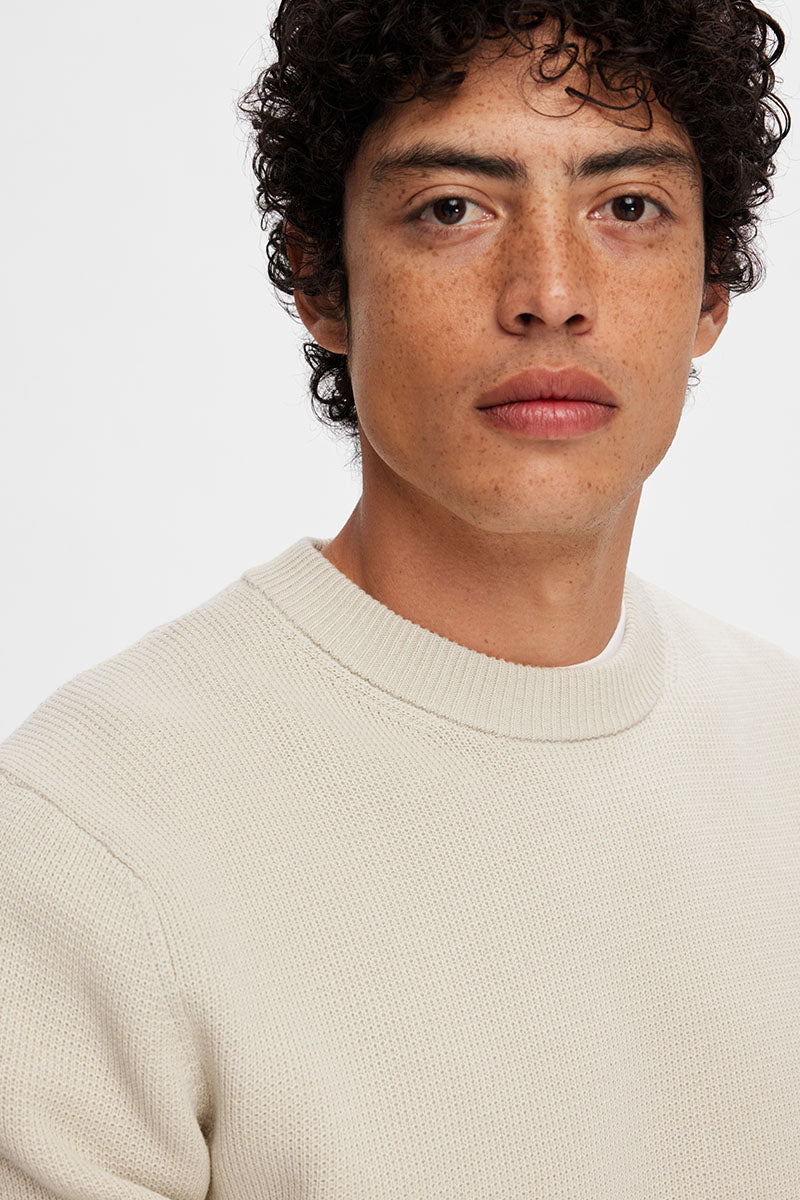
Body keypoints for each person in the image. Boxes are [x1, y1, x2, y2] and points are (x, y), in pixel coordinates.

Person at [1, 1, 797, 1196]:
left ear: (711, 290)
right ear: (318, 279)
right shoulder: (85, 838)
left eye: (627, 207)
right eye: (452, 209)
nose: (549, 292)